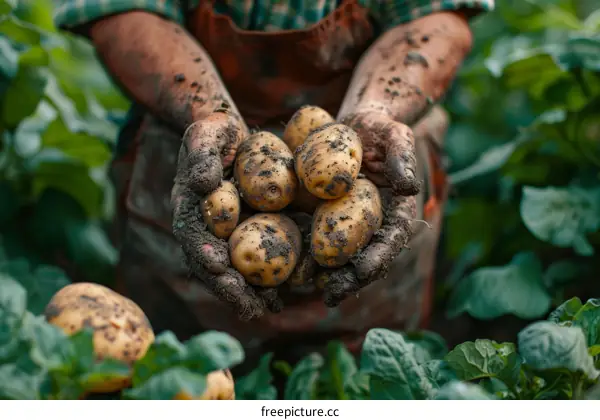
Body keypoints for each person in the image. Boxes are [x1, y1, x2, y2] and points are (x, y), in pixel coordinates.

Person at [54, 0, 494, 367]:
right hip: (195, 155)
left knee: (368, 377)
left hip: (375, 161)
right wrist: (208, 113)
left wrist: (376, 111)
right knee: (183, 374)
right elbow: (124, 10)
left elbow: (438, 16)